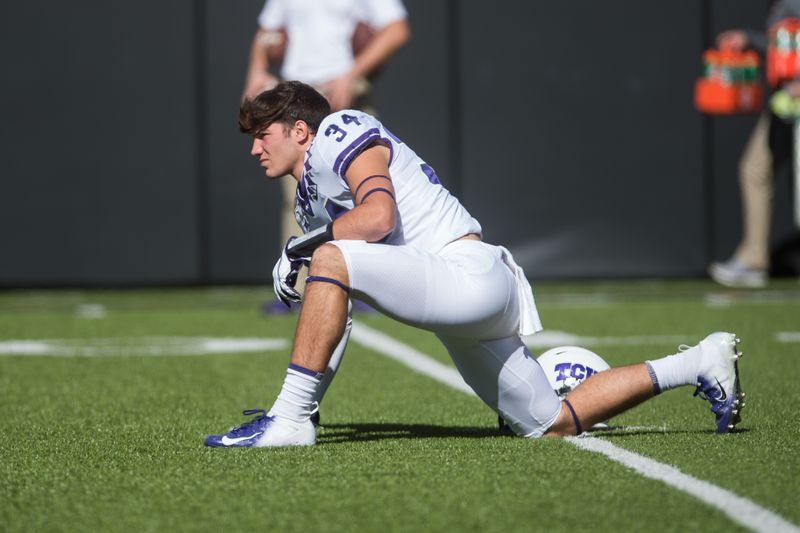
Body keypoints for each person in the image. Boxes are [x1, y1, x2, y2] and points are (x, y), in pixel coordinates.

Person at [204, 81, 746, 448]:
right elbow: (341, 295)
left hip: (465, 275)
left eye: (262, 134)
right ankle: (701, 361)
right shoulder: (311, 193)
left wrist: (301, 248)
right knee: (549, 424)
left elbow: (378, 217)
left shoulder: (338, 129)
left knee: (330, 255)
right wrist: (315, 263)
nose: (254, 148)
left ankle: (290, 419)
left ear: (300, 130)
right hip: (459, 297)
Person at [243, 0, 410, 310]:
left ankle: (366, 286)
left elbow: (396, 29)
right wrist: (255, 73)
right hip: (297, 97)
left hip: (343, 96)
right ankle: (300, 286)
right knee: (300, 196)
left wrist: (352, 73)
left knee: (358, 192)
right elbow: (266, 34)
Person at [709, 0, 800, 288]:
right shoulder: (782, 6)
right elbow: (781, 46)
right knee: (754, 168)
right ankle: (753, 259)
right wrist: (749, 39)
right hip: (785, 106)